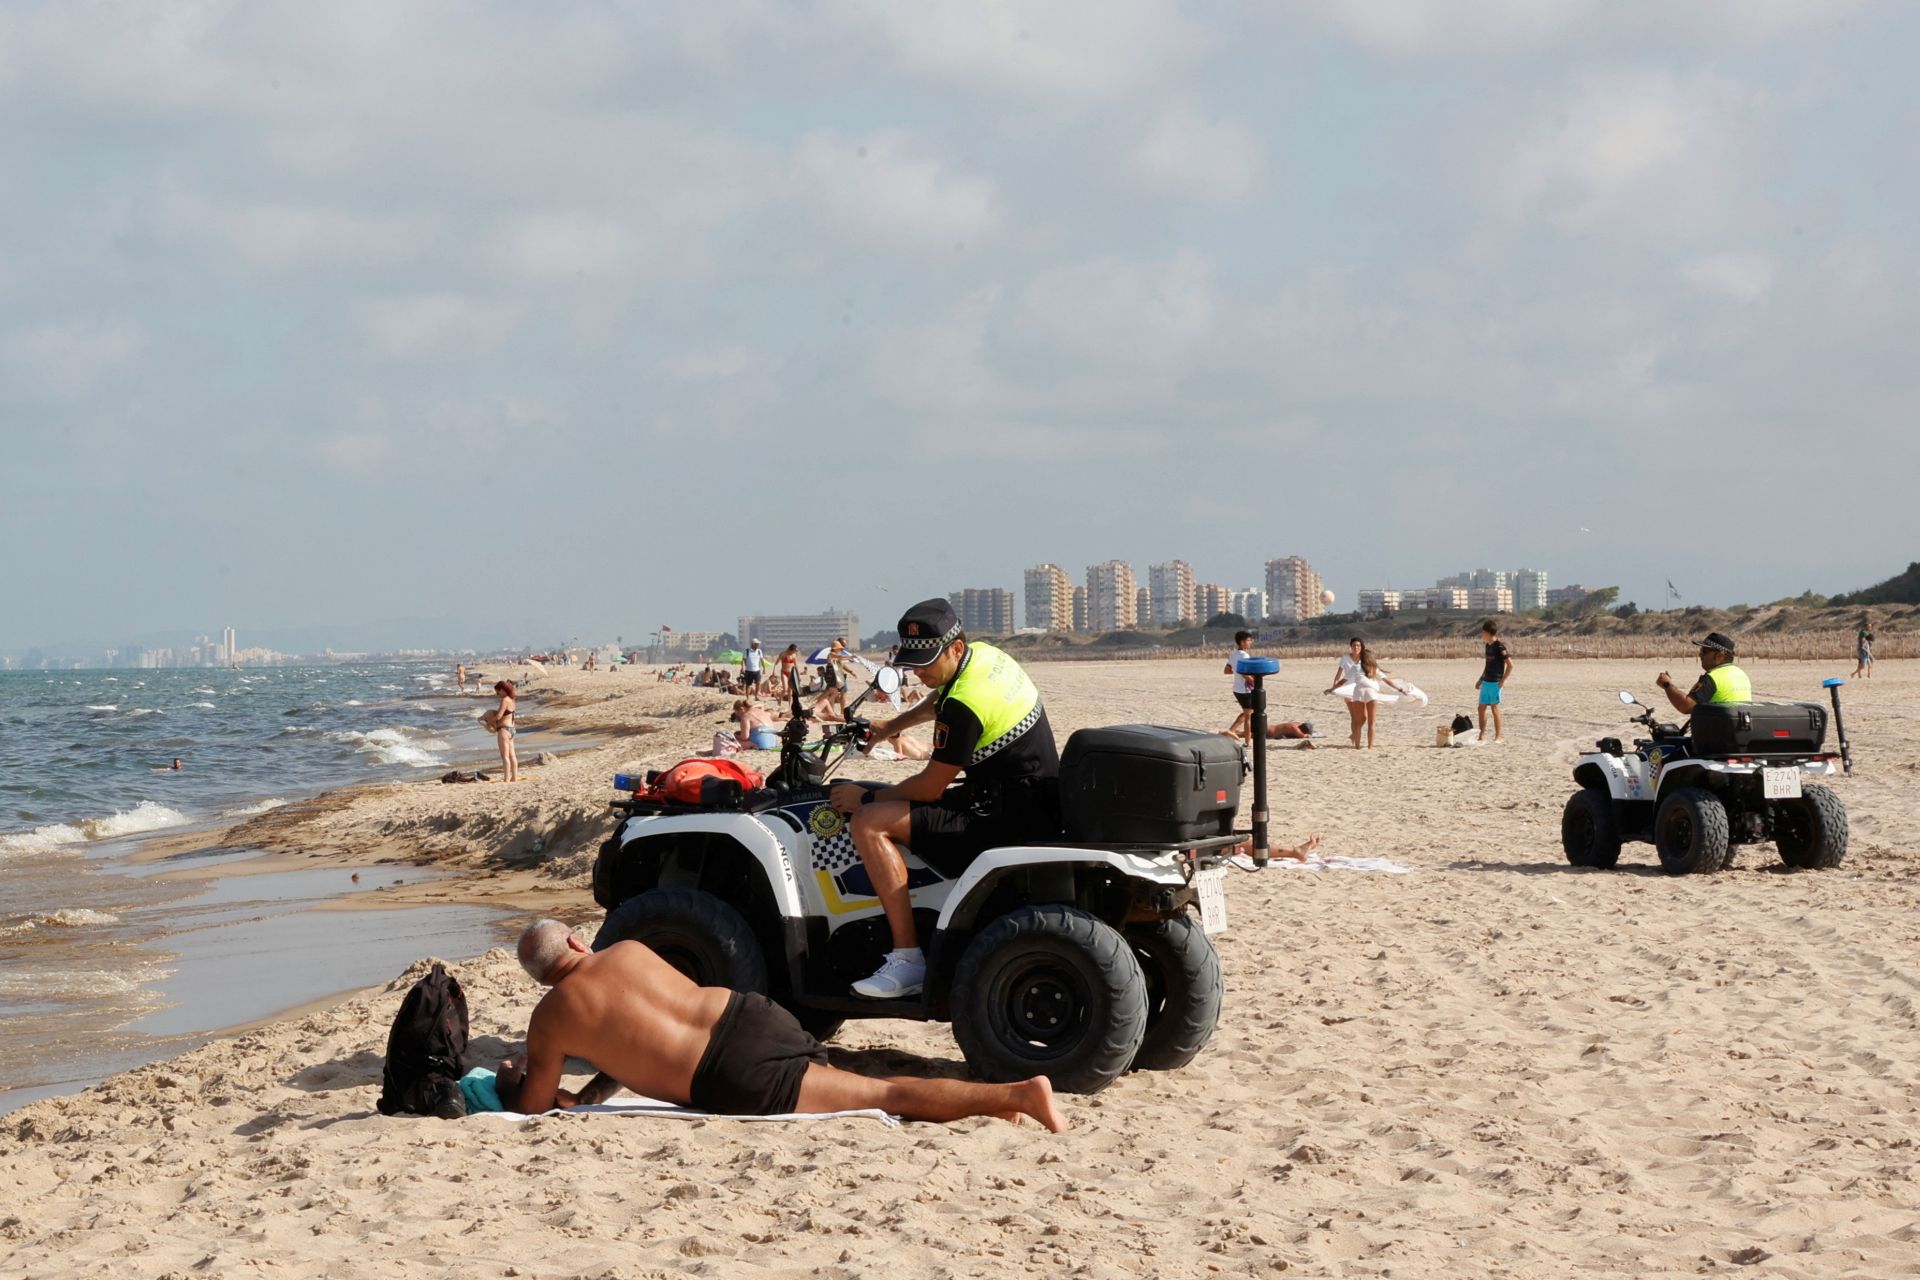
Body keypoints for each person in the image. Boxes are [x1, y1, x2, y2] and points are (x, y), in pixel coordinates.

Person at [494, 921, 1065, 1130]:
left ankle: (1019, 1094)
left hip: (729, 1072)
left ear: (540, 979)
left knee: (883, 1094)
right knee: (848, 1082)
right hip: (750, 1016)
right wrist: (596, 1090)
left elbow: (536, 1108)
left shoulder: (550, 1021)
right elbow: (640, 1027)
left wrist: (510, 1082)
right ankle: (993, 1102)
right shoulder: (626, 949)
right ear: (574, 941)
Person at [827, 598, 1061, 999]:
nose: (919, 673)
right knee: (884, 797)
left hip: (1002, 817)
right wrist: (888, 727)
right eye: (914, 663)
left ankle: (907, 958)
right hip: (1032, 795)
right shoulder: (985, 657)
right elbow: (941, 697)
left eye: (927, 662)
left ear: (955, 647)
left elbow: (930, 787)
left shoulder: (964, 706)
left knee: (869, 821)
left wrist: (866, 798)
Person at [1656, 632, 1751, 713]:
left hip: (1719, 733)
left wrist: (1667, 684)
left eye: (1704, 651)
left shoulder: (1712, 677)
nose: (1700, 654)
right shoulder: (1741, 674)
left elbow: (1685, 706)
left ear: (1720, 656)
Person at [1327, 637, 1369, 748]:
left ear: (1361, 647)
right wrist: (1334, 687)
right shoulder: (1345, 658)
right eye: (1354, 645)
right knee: (1354, 716)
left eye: (1358, 645)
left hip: (1361, 689)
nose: (1356, 647)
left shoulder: (1364, 659)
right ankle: (1356, 742)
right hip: (1348, 690)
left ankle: (1353, 735)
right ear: (1351, 647)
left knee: (1364, 716)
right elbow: (1338, 674)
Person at [1477, 620, 1512, 742]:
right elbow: (1487, 665)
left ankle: (1498, 735)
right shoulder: (1488, 646)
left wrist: (1503, 681)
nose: (1482, 634)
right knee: (1481, 708)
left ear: (1487, 632)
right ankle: (1482, 734)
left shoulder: (1500, 647)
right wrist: (1480, 680)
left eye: (1483, 632)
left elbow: (1511, 665)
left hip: (1495, 683)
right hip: (1486, 682)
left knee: (1494, 708)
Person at [1223, 630, 1257, 743]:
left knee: (1248, 712)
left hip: (1237, 689)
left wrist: (1236, 672)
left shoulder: (1233, 654)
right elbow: (1244, 674)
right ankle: (1246, 742)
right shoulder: (1244, 655)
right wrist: (1254, 682)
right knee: (1248, 716)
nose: (1250, 642)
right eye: (1248, 640)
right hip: (1245, 689)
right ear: (1242, 642)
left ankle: (1232, 731)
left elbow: (1227, 670)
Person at [492, 680, 519, 782]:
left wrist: (489, 719)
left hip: (504, 729)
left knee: (505, 756)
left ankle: (507, 778)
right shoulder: (512, 700)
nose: (497, 694)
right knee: (512, 755)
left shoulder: (504, 700)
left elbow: (499, 716)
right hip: (512, 729)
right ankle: (514, 777)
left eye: (498, 692)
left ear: (502, 690)